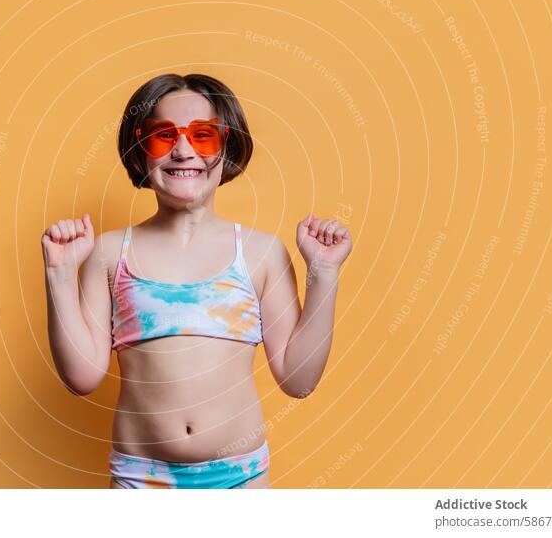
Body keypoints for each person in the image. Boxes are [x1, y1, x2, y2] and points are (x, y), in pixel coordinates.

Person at [41, 73, 352, 488]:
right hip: (141, 480)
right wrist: (60, 274)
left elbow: (299, 381)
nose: (184, 150)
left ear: (228, 148)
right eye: (163, 137)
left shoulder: (260, 253)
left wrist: (323, 274)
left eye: (203, 136)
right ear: (139, 154)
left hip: (239, 480)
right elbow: (81, 378)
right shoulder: (110, 253)